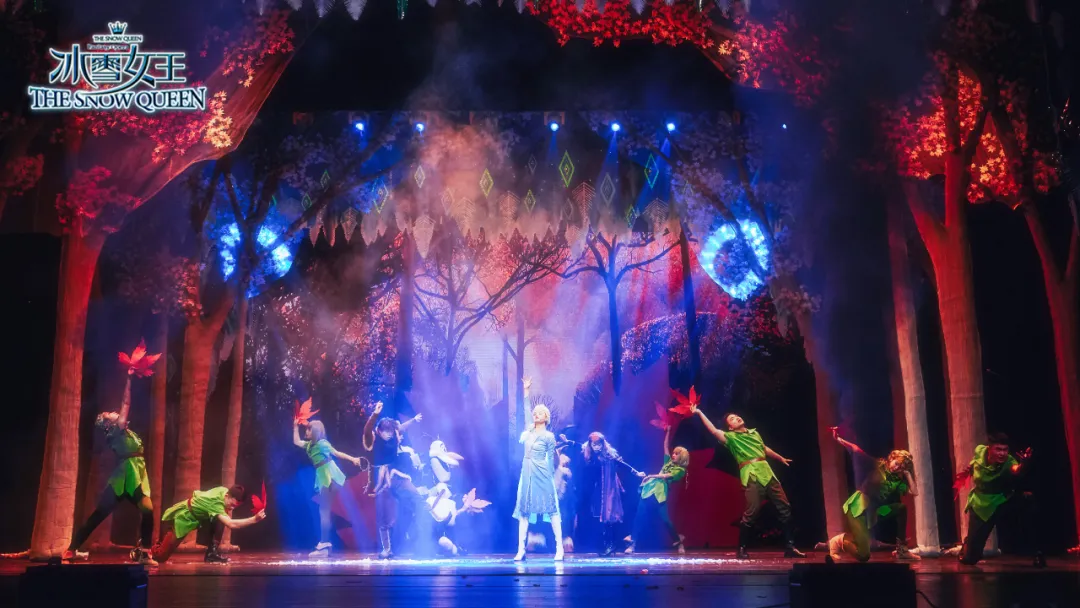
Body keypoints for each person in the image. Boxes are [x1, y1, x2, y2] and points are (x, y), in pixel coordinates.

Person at [693, 407, 805, 559]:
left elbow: (764, 448)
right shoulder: (730, 438)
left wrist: (780, 458)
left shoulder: (754, 433)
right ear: (730, 427)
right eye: (732, 419)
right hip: (751, 474)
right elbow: (713, 430)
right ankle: (741, 548)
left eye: (736, 416)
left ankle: (790, 547)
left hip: (767, 473)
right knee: (752, 510)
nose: (736, 418)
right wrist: (700, 413)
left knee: (784, 507)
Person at [64, 406, 157, 565]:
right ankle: (71, 550)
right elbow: (125, 404)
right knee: (98, 515)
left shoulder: (129, 433)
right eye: (109, 414)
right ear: (109, 423)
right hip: (122, 479)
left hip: (136, 476)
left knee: (147, 510)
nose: (114, 412)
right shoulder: (115, 432)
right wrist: (129, 388)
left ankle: (145, 553)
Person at [826, 429, 919, 562]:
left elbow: (914, 492)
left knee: (901, 508)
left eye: (901, 467)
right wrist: (840, 440)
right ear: (892, 458)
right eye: (897, 463)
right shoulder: (879, 465)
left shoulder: (897, 481)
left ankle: (902, 550)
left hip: (875, 511)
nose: (897, 468)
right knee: (863, 555)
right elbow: (857, 451)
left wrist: (908, 474)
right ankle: (839, 541)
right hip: (859, 509)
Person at [955, 433, 1044, 567]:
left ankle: (1037, 552)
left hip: (1003, 499)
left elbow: (1016, 470)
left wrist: (1024, 464)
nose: (1002, 453)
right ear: (989, 448)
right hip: (982, 504)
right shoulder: (980, 451)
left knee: (1028, 500)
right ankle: (969, 543)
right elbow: (976, 462)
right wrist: (970, 469)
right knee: (970, 559)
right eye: (998, 449)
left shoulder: (1009, 462)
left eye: (1005, 450)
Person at [362, 400, 428, 559]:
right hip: (380, 478)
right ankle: (387, 549)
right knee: (385, 516)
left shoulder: (393, 434)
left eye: (392, 432)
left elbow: (401, 427)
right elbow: (367, 429)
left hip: (395, 474)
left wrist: (413, 420)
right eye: (387, 433)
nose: (390, 435)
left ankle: (423, 537)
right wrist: (375, 414)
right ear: (380, 431)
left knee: (417, 498)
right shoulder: (373, 437)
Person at [292, 418, 363, 558]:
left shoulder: (322, 443)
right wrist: (295, 426)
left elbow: (337, 453)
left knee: (324, 511)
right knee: (324, 511)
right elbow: (296, 442)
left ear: (315, 431)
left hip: (329, 476)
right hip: (323, 476)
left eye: (309, 429)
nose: (306, 432)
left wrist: (353, 459)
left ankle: (324, 545)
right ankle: (325, 544)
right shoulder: (309, 445)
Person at [153, 485, 266, 564]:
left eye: (235, 507)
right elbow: (231, 524)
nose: (232, 508)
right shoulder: (215, 504)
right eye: (232, 505)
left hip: (200, 518)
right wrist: (254, 519)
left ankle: (212, 554)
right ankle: (146, 553)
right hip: (183, 517)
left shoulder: (224, 491)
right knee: (160, 556)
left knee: (221, 517)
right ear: (227, 496)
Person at [625, 424, 690, 555]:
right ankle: (633, 543)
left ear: (682, 457)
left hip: (660, 493)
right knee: (639, 517)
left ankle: (678, 541)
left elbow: (666, 476)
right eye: (673, 453)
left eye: (677, 454)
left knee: (665, 520)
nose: (673, 455)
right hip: (649, 490)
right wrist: (668, 431)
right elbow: (665, 446)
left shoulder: (681, 470)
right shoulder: (668, 462)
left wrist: (651, 475)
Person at [513, 404, 563, 561]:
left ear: (546, 417)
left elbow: (550, 459)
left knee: (551, 509)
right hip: (527, 473)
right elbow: (526, 410)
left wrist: (550, 477)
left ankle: (560, 548)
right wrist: (526, 393)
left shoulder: (549, 436)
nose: (536, 415)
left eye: (540, 413)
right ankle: (521, 549)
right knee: (524, 511)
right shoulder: (527, 434)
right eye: (535, 413)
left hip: (542, 473)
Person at [581, 432, 640, 556]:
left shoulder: (608, 456)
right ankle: (607, 545)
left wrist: (636, 472)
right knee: (599, 517)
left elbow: (622, 464)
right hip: (597, 490)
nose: (596, 446)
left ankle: (611, 545)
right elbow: (577, 445)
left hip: (608, 490)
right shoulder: (589, 455)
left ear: (603, 443)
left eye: (598, 443)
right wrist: (568, 442)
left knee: (608, 517)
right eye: (593, 443)